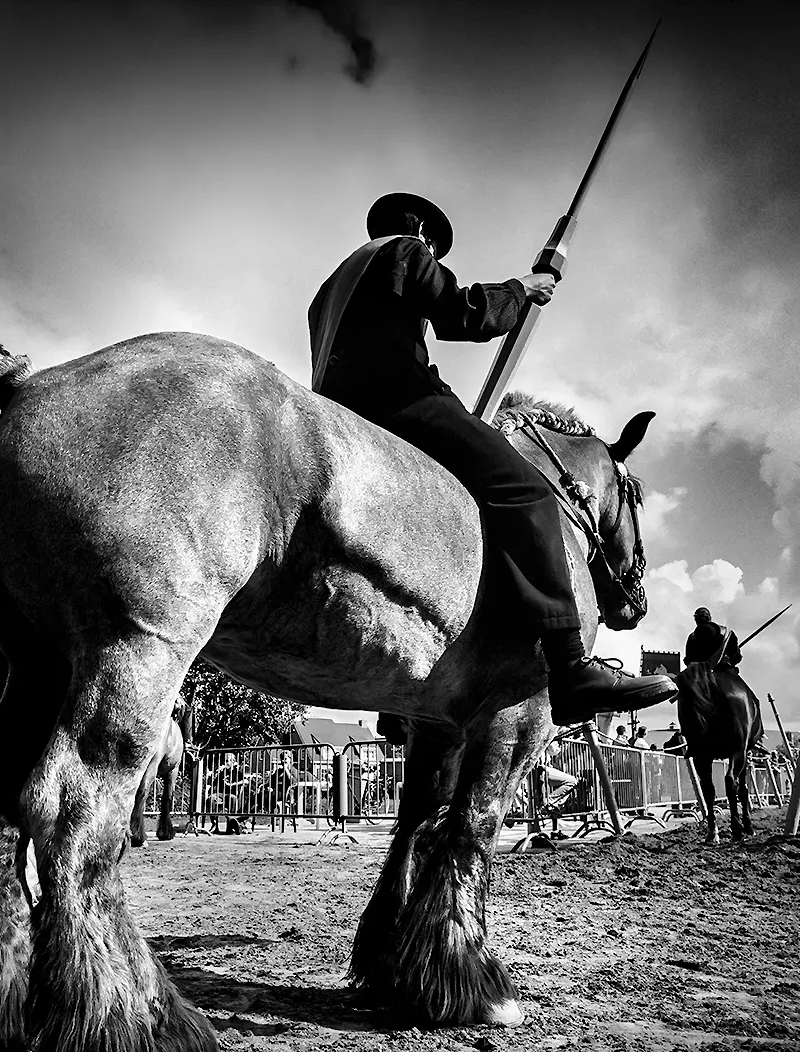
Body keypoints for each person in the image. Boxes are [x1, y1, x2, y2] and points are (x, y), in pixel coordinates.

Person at [308, 192, 676, 726]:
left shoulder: (327, 291)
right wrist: (521, 290)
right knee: (525, 490)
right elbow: (464, 315)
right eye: (433, 242)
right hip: (398, 401)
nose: (432, 249)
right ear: (420, 230)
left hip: (338, 412)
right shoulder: (406, 251)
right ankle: (571, 666)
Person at [683, 607, 742, 673]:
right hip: (724, 670)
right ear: (709, 618)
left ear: (696, 619)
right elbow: (736, 657)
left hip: (700, 674)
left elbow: (688, 660)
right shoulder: (727, 633)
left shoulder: (691, 638)